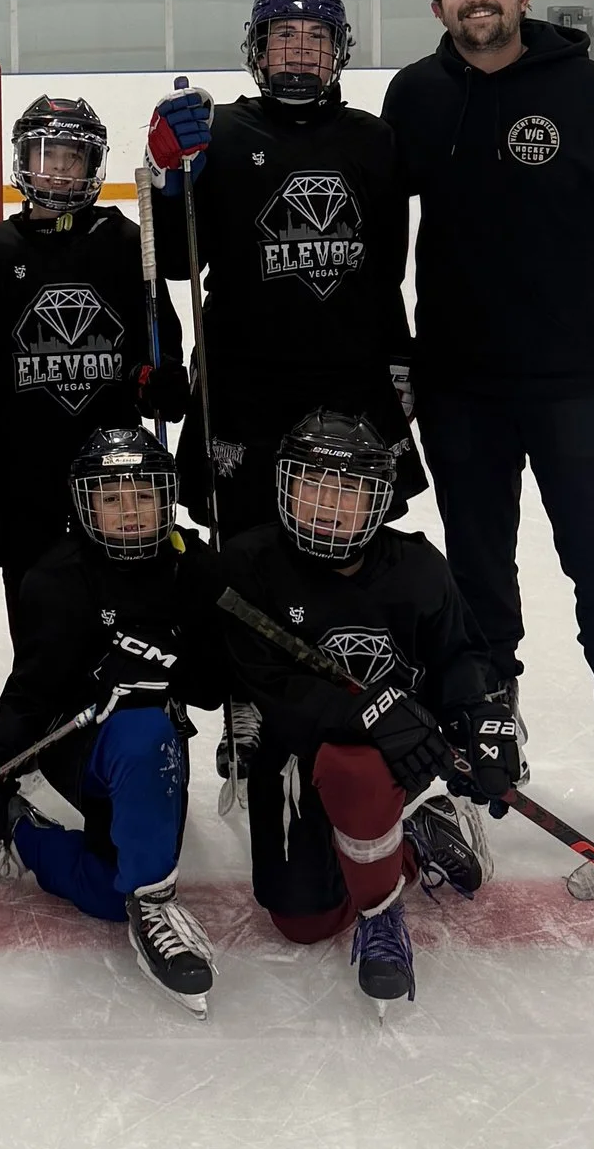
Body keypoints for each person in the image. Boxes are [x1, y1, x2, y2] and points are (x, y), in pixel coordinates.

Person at [379, 0, 594, 813]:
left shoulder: (593, 94)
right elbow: (374, 225)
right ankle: (490, 707)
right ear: (437, 6)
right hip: (460, 384)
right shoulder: (416, 94)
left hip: (579, 379)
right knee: (478, 566)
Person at [0, 424, 226, 1008]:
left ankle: (34, 836)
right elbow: (32, 693)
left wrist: (167, 658)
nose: (130, 512)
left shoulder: (193, 569)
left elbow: (215, 688)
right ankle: (143, 899)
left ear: (166, 499)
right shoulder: (56, 578)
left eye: (144, 496)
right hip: (82, 747)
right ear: (85, 503)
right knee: (139, 735)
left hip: (156, 744)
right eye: (112, 498)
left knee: (104, 891)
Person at [213, 408, 497, 1006]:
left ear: (380, 500)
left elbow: (462, 656)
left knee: (357, 763)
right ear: (285, 487)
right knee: (301, 923)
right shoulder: (248, 565)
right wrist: (368, 710)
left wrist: (482, 721)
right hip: (294, 754)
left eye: (348, 489)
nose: (326, 503)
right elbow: (266, 681)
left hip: (384, 765)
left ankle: (381, 912)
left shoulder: (417, 567)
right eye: (312, 483)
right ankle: (419, 838)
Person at [141, 0, 414, 539]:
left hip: (350, 381)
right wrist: (168, 179)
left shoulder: (374, 140)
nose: (300, 48)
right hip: (245, 383)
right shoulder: (217, 134)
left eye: (318, 36)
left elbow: (387, 269)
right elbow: (175, 263)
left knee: (348, 546)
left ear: (338, 52)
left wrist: (400, 358)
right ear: (257, 50)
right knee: (244, 551)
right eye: (285, 35)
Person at [0, 94, 186, 637]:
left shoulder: (125, 242)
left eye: (72, 158)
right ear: (22, 160)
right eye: (47, 155)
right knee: (37, 624)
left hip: (115, 475)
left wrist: (160, 383)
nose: (58, 169)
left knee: (122, 617)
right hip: (23, 476)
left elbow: (159, 348)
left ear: (91, 167)